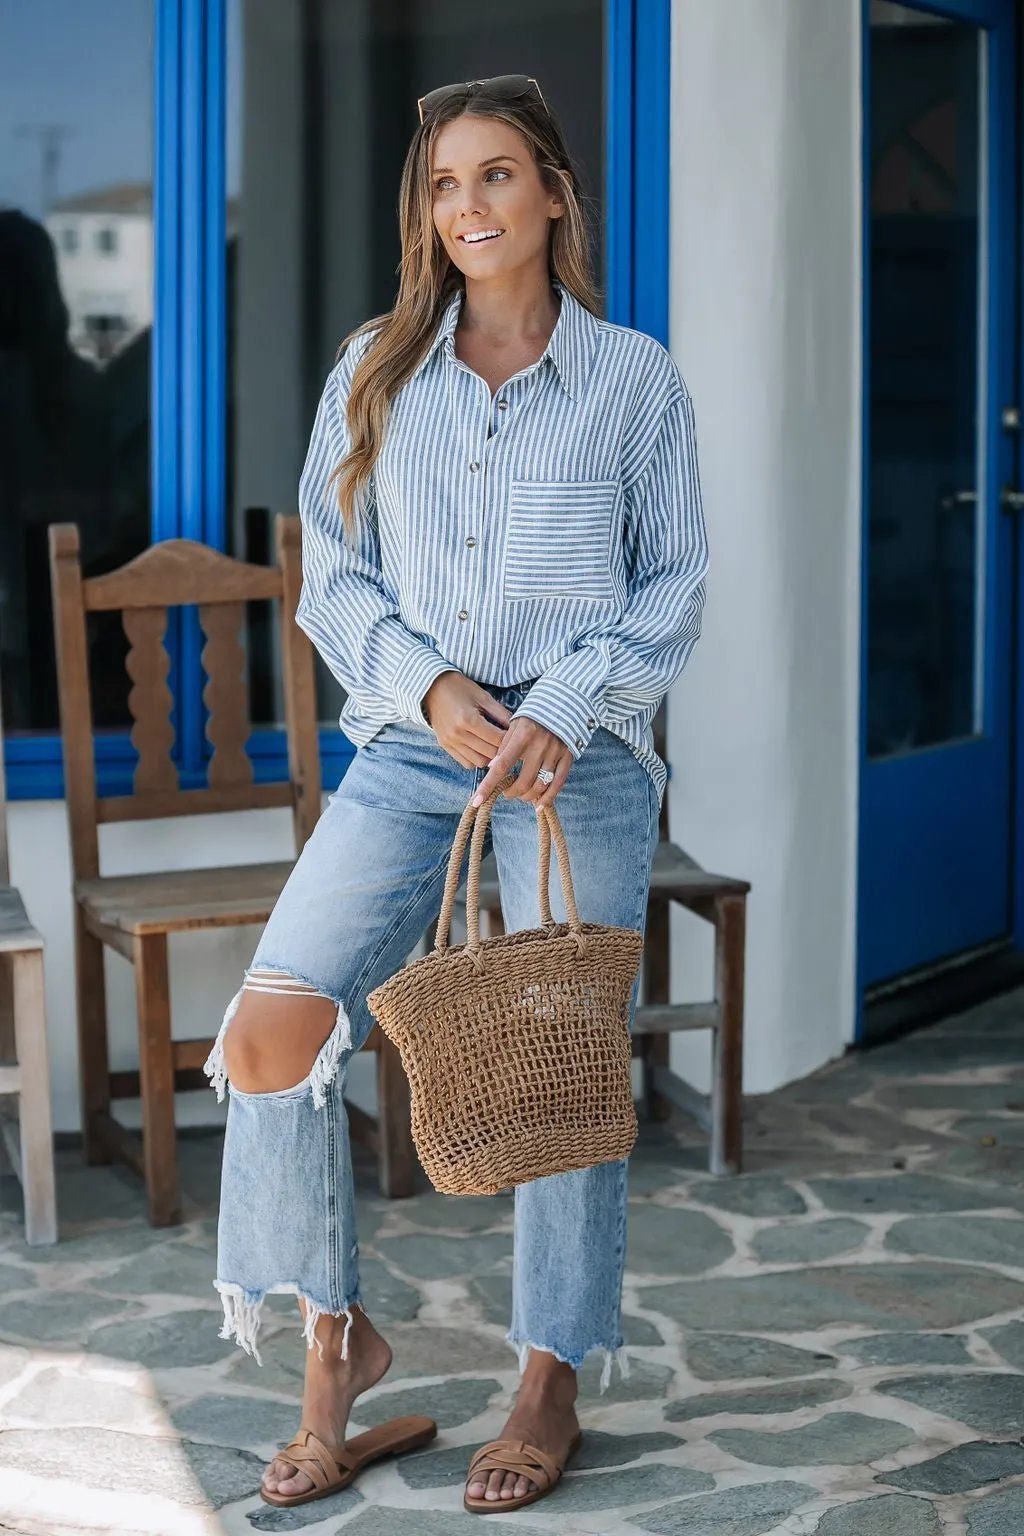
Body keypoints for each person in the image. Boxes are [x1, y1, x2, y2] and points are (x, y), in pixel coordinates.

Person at [204, 73, 708, 1516]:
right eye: (444, 185)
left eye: (497, 176)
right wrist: (429, 689)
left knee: (561, 1072)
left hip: (580, 762)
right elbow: (334, 574)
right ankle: (335, 1344)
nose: (470, 206)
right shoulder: (377, 365)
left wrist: (562, 703)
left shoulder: (636, 381)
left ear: (553, 193)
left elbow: (674, 587)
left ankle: (548, 1375)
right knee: (272, 1030)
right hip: (413, 746)